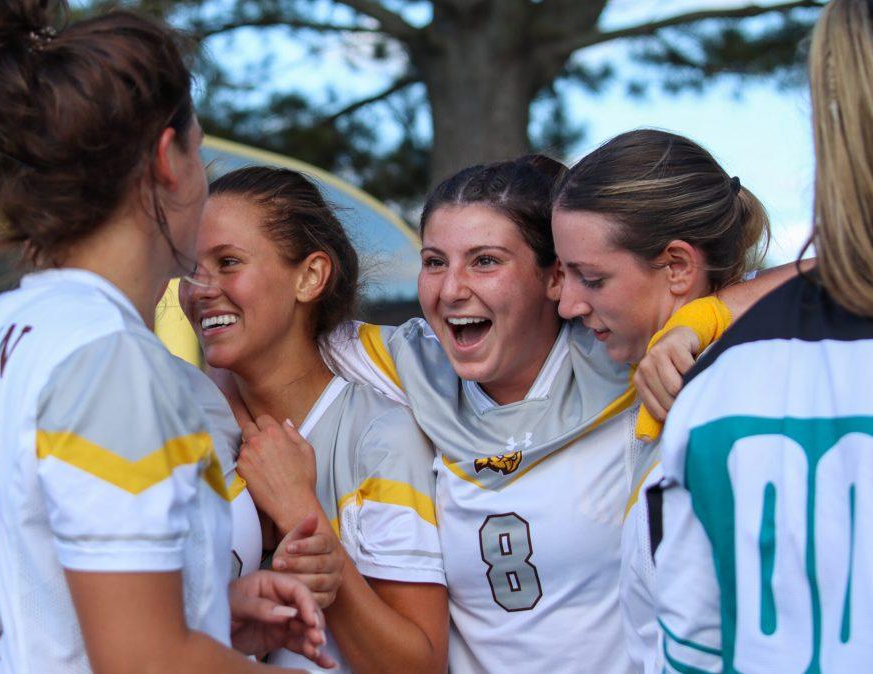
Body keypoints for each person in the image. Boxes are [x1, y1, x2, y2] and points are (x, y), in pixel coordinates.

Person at [0, 3, 332, 673]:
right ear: (167, 160)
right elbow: (145, 660)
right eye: (201, 151)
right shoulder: (108, 360)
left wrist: (209, 613)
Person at [303, 152, 789, 673]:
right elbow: (268, 344)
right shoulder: (414, 362)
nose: (450, 289)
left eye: (485, 260)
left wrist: (703, 317)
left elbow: (833, 275)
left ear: (554, 277)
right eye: (433, 261)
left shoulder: (621, 351)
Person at [653, 0, 873, 670]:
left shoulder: (718, 385)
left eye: (590, 278)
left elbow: (689, 649)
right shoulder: (708, 383)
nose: (569, 300)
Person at [180, 166, 449, 674]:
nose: (200, 289)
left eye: (228, 262)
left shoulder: (381, 433)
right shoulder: (187, 424)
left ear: (310, 277)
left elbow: (421, 664)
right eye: (190, 268)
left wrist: (300, 514)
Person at [550, 128, 780, 673]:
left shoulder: (752, 400)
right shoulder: (652, 369)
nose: (567, 303)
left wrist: (704, 316)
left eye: (591, 277)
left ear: (678, 266)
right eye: (564, 274)